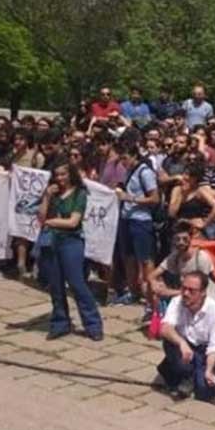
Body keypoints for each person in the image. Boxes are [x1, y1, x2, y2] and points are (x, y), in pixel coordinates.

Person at [36, 162, 103, 341]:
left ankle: (93, 324)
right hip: (52, 243)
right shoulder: (53, 194)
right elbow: (41, 217)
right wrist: (46, 197)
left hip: (71, 242)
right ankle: (60, 323)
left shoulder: (79, 194)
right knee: (55, 285)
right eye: (57, 175)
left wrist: (51, 222)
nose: (60, 179)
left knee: (77, 283)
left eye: (63, 174)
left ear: (70, 174)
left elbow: (73, 222)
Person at [156, 270, 215, 401]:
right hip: (186, 348)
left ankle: (194, 375)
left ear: (202, 293)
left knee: (204, 391)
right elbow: (165, 328)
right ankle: (185, 374)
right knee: (170, 342)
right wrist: (181, 343)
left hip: (206, 351)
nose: (185, 293)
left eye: (192, 291)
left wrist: (209, 370)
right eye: (184, 288)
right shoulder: (176, 302)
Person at [115, 144, 162, 316]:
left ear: (134, 155)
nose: (123, 161)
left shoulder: (145, 172)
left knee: (146, 261)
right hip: (127, 219)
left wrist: (129, 198)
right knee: (128, 257)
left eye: (125, 158)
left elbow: (154, 198)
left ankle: (151, 299)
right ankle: (133, 292)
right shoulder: (128, 172)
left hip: (141, 221)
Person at [150, 221, 215, 302]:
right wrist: (154, 284)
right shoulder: (175, 256)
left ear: (191, 239)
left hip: (204, 299)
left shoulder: (201, 257)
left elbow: (199, 289)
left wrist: (169, 292)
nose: (181, 242)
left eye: (185, 239)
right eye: (177, 239)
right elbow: (152, 275)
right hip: (185, 296)